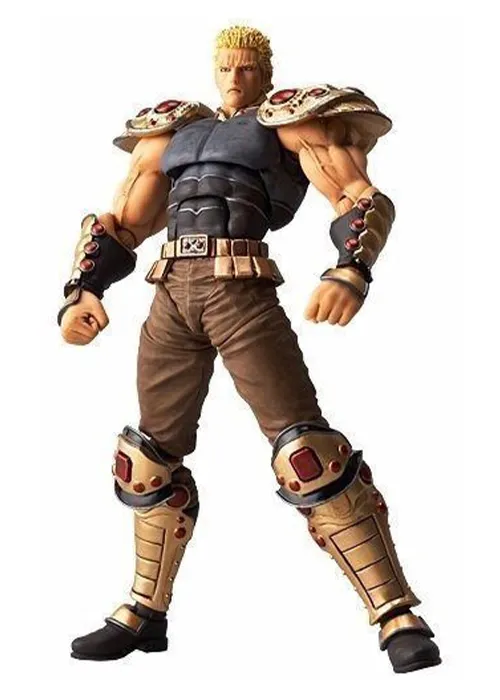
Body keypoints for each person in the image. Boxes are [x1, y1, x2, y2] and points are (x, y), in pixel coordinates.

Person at [58, 25, 441, 673]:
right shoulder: (170, 132)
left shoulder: (291, 121)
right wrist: (82, 288)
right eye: (225, 68)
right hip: (170, 291)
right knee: (146, 459)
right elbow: (124, 220)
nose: (235, 79)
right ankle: (144, 611)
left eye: (246, 68)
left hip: (240, 286)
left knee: (306, 453)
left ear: (266, 71)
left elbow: (357, 196)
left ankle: (395, 613)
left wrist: (350, 269)